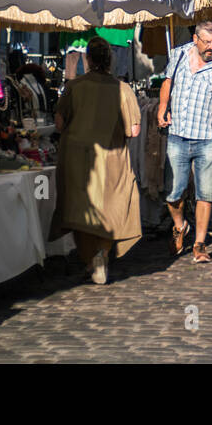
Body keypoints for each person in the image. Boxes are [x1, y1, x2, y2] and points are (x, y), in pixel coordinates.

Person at [51, 36, 142, 285]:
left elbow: (59, 124)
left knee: (79, 209)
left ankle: (90, 259)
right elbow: (133, 130)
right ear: (110, 59)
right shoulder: (122, 89)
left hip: (76, 157)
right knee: (111, 208)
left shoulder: (73, 86)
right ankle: (101, 253)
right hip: (112, 157)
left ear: (88, 59)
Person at [158, 21, 212, 264]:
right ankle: (180, 225)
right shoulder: (179, 54)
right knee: (173, 192)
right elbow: (167, 83)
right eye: (207, 42)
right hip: (178, 134)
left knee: (206, 193)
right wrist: (163, 107)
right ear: (196, 39)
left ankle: (200, 243)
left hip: (208, 137)